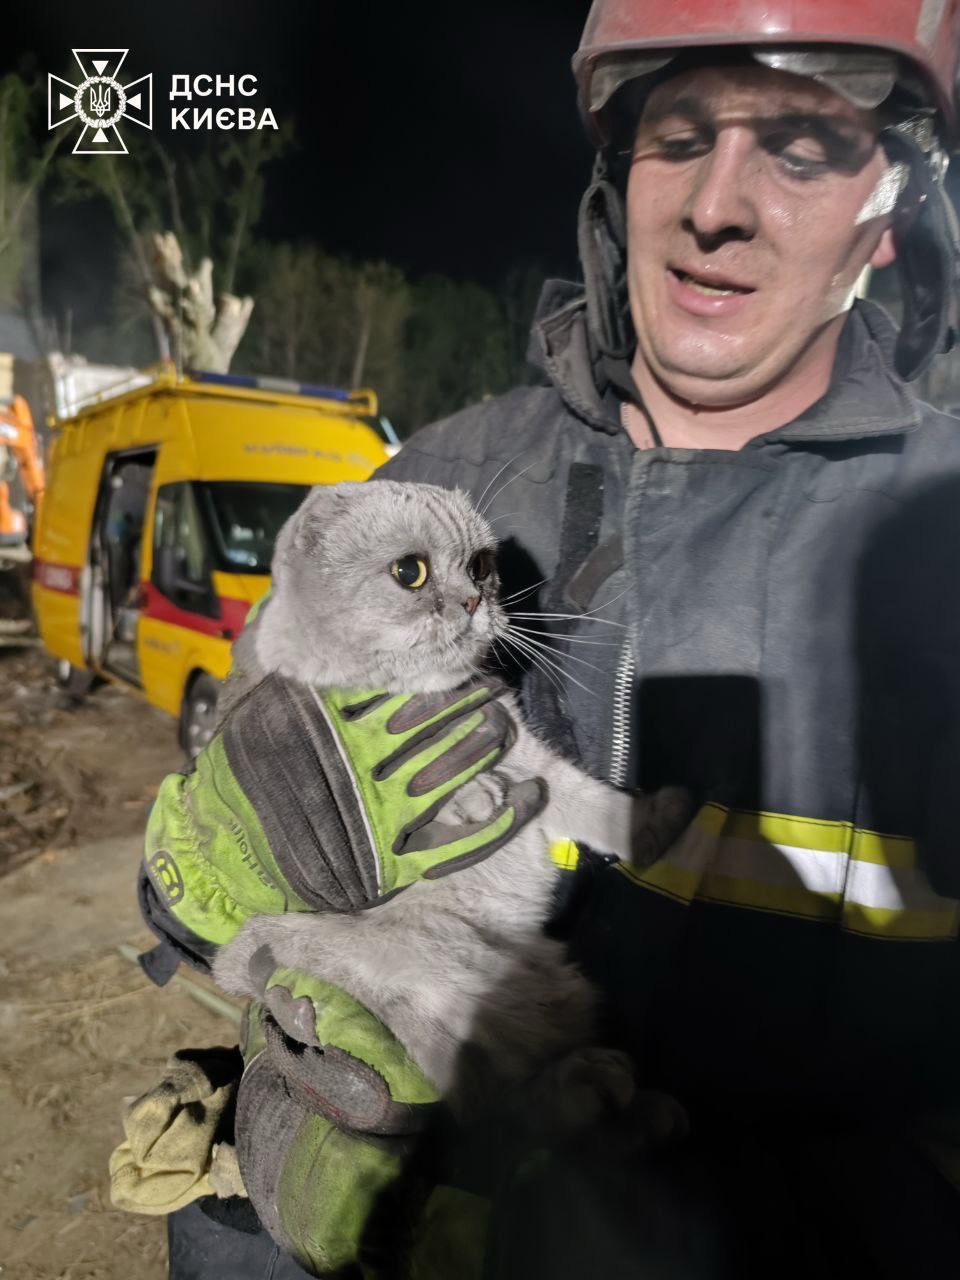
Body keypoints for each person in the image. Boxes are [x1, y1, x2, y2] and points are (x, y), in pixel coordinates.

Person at [131, 2, 960, 1275]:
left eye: (800, 149)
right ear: (619, 173)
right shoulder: (447, 477)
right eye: (679, 137)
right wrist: (220, 878)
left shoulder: (936, 536)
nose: (716, 206)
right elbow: (213, 860)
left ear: (895, 201)